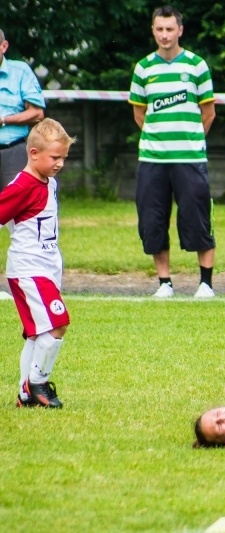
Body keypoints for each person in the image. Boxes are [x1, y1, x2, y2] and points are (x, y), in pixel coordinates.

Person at [128, 6, 217, 299]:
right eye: (159, 29)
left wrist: (189, 141)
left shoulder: (196, 65)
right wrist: (158, 139)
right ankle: (164, 283)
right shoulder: (143, 68)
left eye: (170, 29)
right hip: (152, 159)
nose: (164, 35)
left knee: (197, 218)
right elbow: (139, 114)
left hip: (190, 158)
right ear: (153, 31)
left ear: (180, 30)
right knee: (153, 220)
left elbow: (209, 113)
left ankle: (205, 283)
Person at [0, 118, 74, 408]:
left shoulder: (49, 182)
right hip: (28, 269)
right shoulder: (22, 186)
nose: (60, 164)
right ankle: (38, 382)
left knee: (37, 333)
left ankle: (24, 395)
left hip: (47, 266)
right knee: (58, 324)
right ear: (33, 153)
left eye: (64, 158)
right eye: (55, 157)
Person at [0, 28, 46, 301]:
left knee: (20, 224)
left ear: (3, 46)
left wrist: (4, 119)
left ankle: (28, 282)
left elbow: (37, 112)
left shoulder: (20, 71)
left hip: (14, 151)